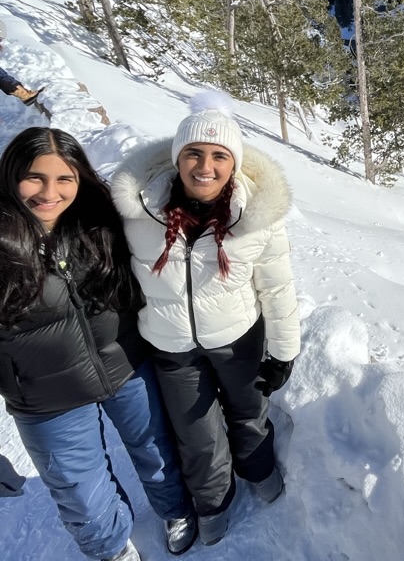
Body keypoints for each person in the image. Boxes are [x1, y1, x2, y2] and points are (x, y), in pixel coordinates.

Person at [0, 128, 198, 561]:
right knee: (80, 490)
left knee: (157, 450)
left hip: (126, 365)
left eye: (64, 179)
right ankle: (111, 549)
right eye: (35, 178)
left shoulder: (100, 218)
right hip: (45, 397)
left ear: (80, 178)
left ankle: (175, 509)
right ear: (10, 174)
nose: (50, 194)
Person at [112, 92, 300, 547]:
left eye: (219, 156)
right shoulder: (139, 211)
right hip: (170, 344)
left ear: (234, 163)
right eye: (193, 153)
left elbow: (277, 285)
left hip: (238, 337)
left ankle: (258, 469)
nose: (205, 166)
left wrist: (284, 351)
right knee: (196, 434)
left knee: (248, 412)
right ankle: (213, 501)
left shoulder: (255, 216)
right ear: (177, 157)